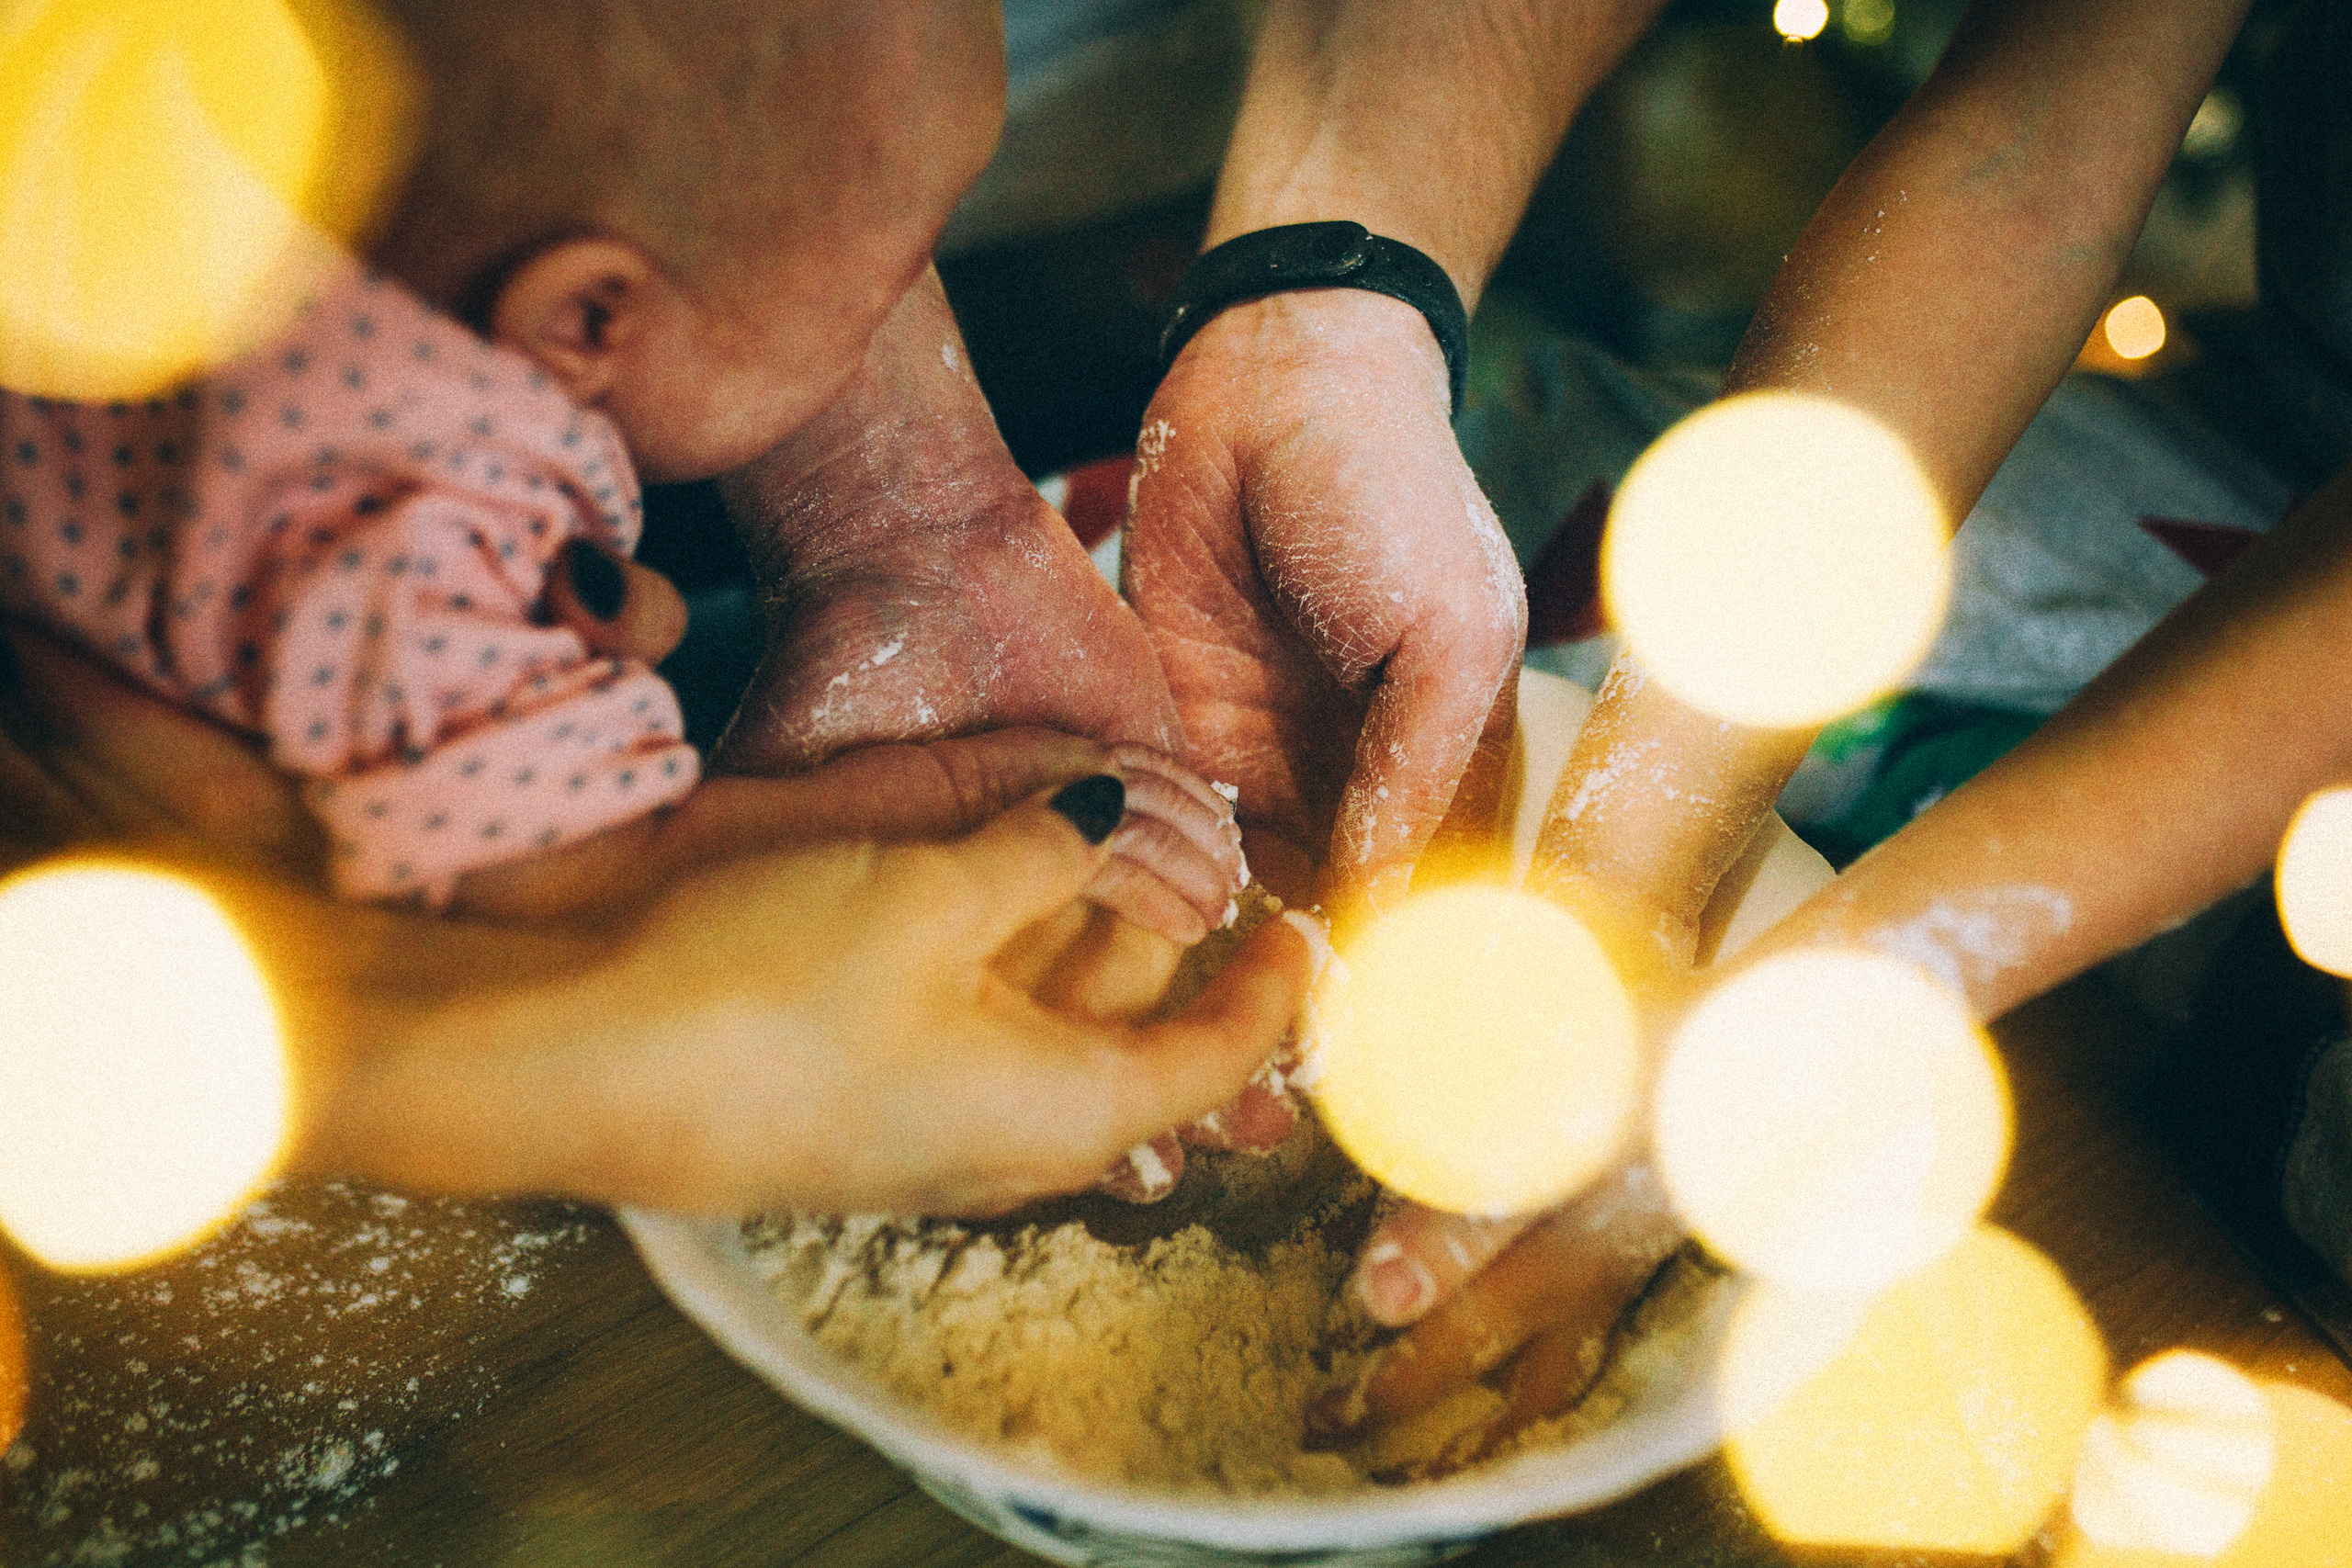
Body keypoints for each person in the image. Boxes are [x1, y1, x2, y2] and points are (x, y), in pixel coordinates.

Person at [0, 0, 1317, 1218]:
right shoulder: (420, 525)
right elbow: (577, 893)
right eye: (878, 288)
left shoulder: (221, 192)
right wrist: (960, 798)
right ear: (586, 313)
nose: (912, 314)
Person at [1317, 0, 2278, 1454]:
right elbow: (2018, 163)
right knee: (1519, 511)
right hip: (2262, 419)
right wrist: (1618, 865)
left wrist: (1818, 1004)